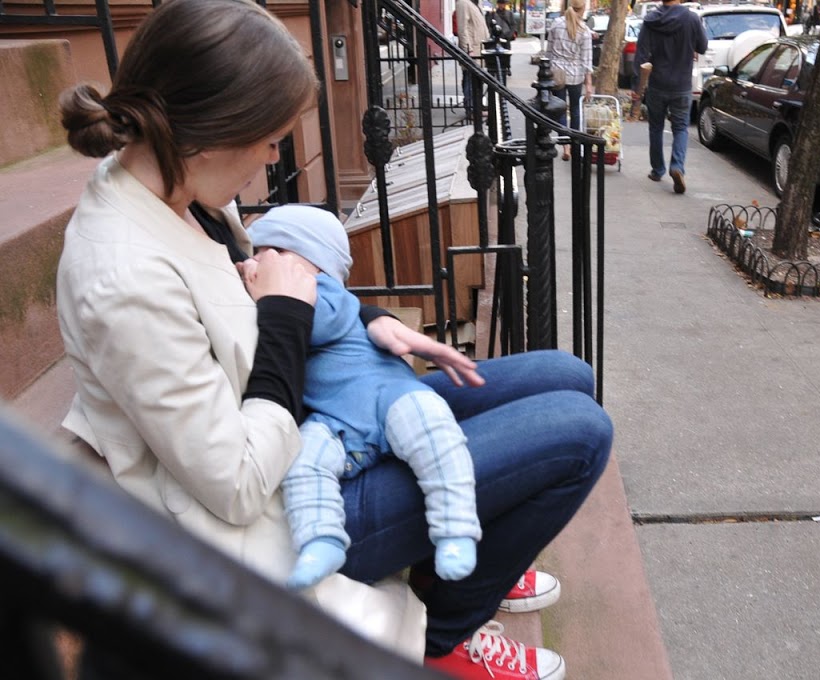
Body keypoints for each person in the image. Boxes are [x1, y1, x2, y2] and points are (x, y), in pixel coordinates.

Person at [56, 0, 613, 678]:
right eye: (269, 139)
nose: (270, 159)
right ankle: (447, 632)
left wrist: (372, 320)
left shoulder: (179, 185)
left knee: (567, 375)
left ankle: (473, 558)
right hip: (279, 504)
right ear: (210, 130)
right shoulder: (122, 275)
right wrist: (290, 321)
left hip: (323, 410)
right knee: (580, 432)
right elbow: (232, 484)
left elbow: (274, 292)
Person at [246, 205, 482, 591]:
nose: (258, 261)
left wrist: (271, 298)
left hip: (387, 397)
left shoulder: (325, 295)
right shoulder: (285, 291)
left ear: (316, 264)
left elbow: (315, 323)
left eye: (274, 252)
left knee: (434, 433)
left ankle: (455, 530)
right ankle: (319, 540)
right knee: (304, 461)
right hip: (334, 420)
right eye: (256, 252)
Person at [633, 0, 707, 194]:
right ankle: (677, 167)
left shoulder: (650, 21)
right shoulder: (692, 18)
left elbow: (641, 54)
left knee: (656, 127)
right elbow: (703, 46)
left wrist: (636, 86)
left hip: (657, 83)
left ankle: (657, 170)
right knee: (681, 127)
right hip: (682, 84)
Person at [546, 0, 594, 161]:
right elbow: (586, 61)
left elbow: (549, 51)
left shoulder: (556, 24)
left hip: (557, 73)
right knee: (575, 109)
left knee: (559, 109)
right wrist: (588, 84)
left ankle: (564, 144)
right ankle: (574, 145)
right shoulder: (585, 31)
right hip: (576, 74)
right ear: (584, 9)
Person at [456, 0, 488, 117]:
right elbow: (462, 28)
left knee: (477, 79)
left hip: (479, 48)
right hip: (471, 49)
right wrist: (467, 49)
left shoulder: (477, 3)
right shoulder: (463, 3)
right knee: (470, 79)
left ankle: (478, 106)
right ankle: (471, 109)